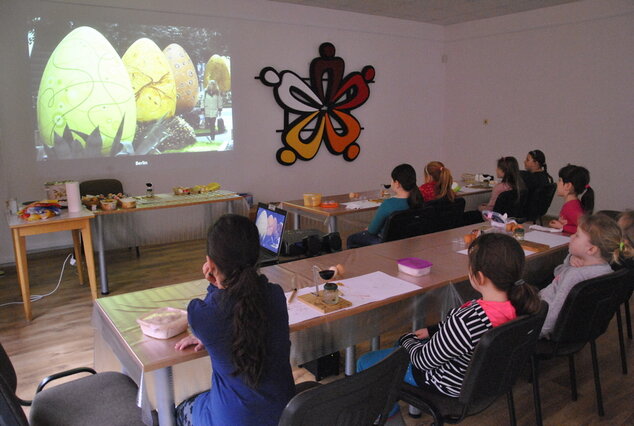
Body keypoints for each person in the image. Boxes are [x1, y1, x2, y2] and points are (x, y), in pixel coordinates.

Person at [357, 233, 541, 409]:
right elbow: (460, 335)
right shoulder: (522, 304)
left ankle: (388, 417)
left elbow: (423, 361)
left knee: (366, 361)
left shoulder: (468, 320)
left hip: (446, 383)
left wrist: (407, 339)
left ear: (479, 277)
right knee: (403, 347)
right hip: (485, 381)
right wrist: (433, 330)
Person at [174, 214, 295, 426]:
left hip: (232, 420)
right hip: (284, 415)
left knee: (181, 409)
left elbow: (221, 313)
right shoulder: (275, 295)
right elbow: (241, 317)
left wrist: (213, 285)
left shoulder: (201, 315)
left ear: (210, 264)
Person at [539, 213, 630, 338]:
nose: (571, 236)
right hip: (579, 331)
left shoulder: (575, 276)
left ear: (591, 250)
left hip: (542, 320)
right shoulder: (607, 271)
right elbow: (558, 275)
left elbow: (554, 314)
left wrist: (534, 334)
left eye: (577, 235)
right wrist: (570, 260)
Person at [347, 164, 423, 249]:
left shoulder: (389, 204)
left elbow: (373, 230)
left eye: (392, 180)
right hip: (410, 241)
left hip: (386, 244)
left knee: (351, 239)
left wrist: (368, 229)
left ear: (397, 183)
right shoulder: (419, 200)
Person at [548, 164, 594, 234]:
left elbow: (585, 229)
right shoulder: (572, 203)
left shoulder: (571, 207)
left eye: (560, 180)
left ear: (568, 186)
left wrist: (563, 227)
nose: (557, 183)